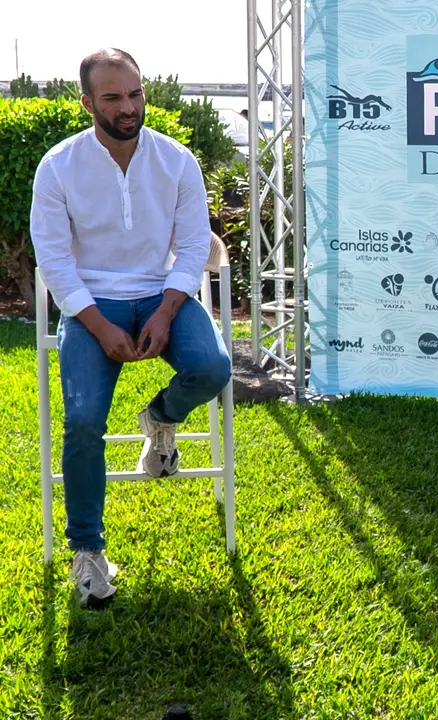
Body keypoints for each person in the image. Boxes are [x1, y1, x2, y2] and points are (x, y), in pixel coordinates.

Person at [30, 48, 231, 609]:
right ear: (87, 101)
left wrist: (168, 310)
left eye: (136, 93)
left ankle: (160, 418)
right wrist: (94, 324)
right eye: (114, 97)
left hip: (161, 292)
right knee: (85, 420)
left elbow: (193, 246)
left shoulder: (176, 159)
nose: (128, 107)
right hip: (91, 303)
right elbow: (54, 258)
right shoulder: (59, 165)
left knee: (213, 367)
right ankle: (89, 551)